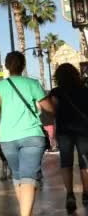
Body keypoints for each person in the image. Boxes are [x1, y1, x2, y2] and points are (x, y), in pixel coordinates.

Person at [0, 51, 53, 216]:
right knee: (29, 176)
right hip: (32, 135)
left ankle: (25, 212)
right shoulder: (33, 84)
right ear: (23, 65)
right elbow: (49, 107)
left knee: (18, 176)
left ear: (7, 67)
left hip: (7, 138)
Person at [49, 63, 88, 213]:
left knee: (66, 162)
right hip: (84, 130)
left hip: (65, 130)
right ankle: (86, 194)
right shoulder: (85, 91)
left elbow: (52, 111)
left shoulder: (56, 92)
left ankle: (70, 195)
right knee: (85, 162)